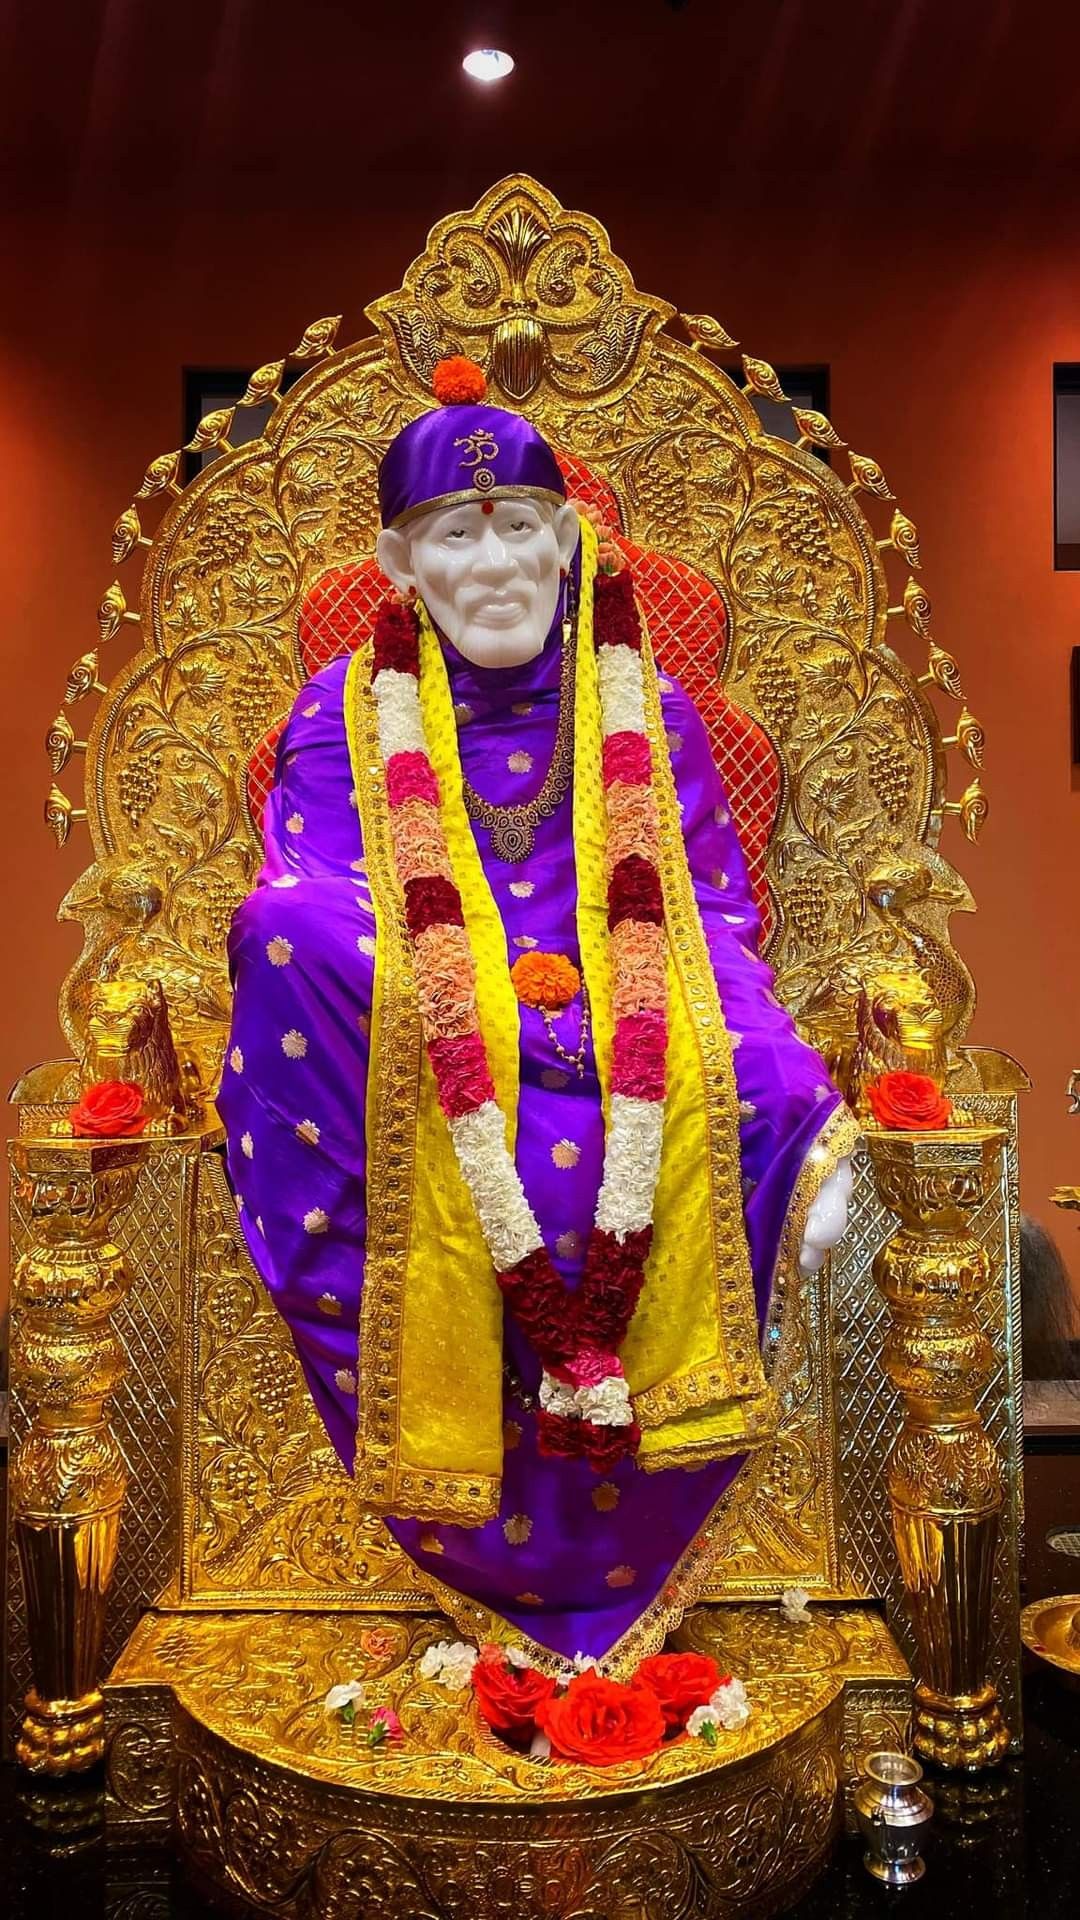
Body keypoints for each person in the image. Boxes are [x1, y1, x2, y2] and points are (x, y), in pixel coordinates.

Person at [219, 357, 859, 1666]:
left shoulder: (650, 713)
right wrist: (485, 1017)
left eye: (520, 524)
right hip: (419, 1033)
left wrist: (771, 1060)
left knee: (766, 1082)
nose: (496, 559)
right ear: (402, 567)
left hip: (635, 1021)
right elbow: (318, 901)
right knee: (281, 931)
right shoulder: (340, 722)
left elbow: (708, 922)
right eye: (458, 533)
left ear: (570, 544)